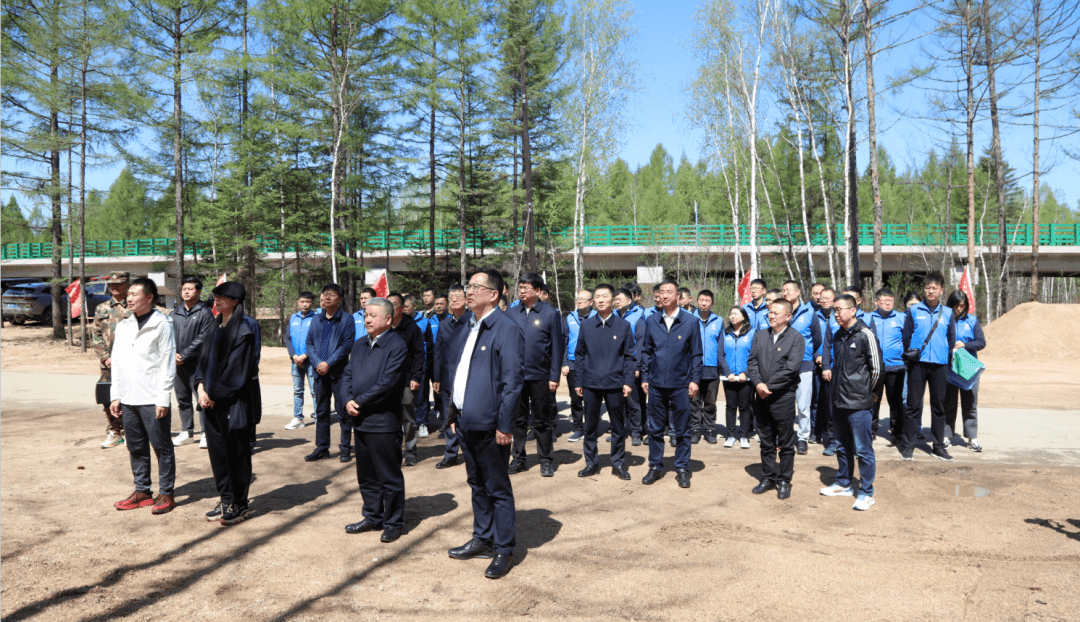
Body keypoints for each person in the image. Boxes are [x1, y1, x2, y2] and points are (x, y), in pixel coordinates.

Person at [445, 269, 524, 580]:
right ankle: (483, 537)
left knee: (497, 487)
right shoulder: (470, 324)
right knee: (476, 483)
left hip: (491, 425)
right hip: (466, 420)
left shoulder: (506, 328)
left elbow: (512, 383)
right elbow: (461, 371)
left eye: (476, 286)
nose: (469, 291)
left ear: (494, 294)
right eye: (469, 286)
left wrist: (505, 426)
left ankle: (503, 548)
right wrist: (453, 413)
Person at [342, 297, 410, 543]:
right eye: (365, 315)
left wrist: (359, 402)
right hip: (359, 421)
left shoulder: (397, 345)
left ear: (388, 319)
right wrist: (347, 399)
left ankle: (393, 522)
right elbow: (347, 376)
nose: (367, 319)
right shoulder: (360, 344)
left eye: (373, 315)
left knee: (388, 476)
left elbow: (388, 384)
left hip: (383, 422)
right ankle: (373, 515)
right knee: (367, 475)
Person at [110, 278, 178, 515]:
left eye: (135, 294)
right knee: (136, 447)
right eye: (128, 294)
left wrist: (163, 398)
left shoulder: (162, 324)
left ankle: (167, 493)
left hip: (152, 398)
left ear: (149, 298)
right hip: (128, 397)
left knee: (161, 447)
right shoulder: (123, 325)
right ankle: (142, 491)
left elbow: (168, 363)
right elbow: (117, 362)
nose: (129, 298)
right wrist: (115, 395)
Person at [194, 281, 259, 524]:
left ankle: (239, 504)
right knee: (218, 454)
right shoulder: (213, 326)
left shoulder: (244, 330)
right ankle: (225, 498)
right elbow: (201, 363)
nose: (216, 301)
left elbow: (237, 373)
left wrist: (213, 395)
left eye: (222, 297)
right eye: (215, 297)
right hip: (209, 401)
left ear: (235, 301)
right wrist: (200, 388)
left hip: (233, 404)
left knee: (237, 454)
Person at [819, 294, 882, 511]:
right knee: (842, 446)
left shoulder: (866, 335)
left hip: (858, 403)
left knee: (863, 450)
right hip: (838, 401)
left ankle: (866, 492)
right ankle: (843, 483)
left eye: (840, 309)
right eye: (834, 310)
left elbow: (877, 371)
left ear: (853, 310)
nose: (836, 314)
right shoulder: (838, 336)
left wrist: (867, 395)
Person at [639, 280, 702, 489]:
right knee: (655, 429)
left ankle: (682, 467)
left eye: (669, 292)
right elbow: (646, 352)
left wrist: (694, 380)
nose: (664, 295)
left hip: (681, 384)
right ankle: (655, 465)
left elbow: (696, 354)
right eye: (661, 292)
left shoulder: (690, 322)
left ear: (678, 296)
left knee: (682, 429)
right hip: (656, 384)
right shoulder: (652, 320)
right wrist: (645, 377)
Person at [574, 284, 636, 480]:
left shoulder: (623, 326)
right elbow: (580, 355)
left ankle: (617, 463)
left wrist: (628, 382)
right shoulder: (586, 326)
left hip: (615, 383)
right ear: (593, 301)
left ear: (613, 300)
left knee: (618, 426)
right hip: (591, 384)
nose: (600, 299)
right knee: (590, 426)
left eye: (604, 296)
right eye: (597, 296)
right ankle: (591, 463)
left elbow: (629, 357)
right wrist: (579, 381)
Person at [747, 298, 804, 500]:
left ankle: (784, 480)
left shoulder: (796, 338)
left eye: (776, 313)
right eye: (770, 312)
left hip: (783, 398)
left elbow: (791, 369)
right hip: (760, 396)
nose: (771, 316)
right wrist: (757, 384)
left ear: (788, 316)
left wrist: (768, 386)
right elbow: (752, 362)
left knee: (786, 443)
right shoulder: (760, 335)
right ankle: (768, 477)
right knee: (766, 441)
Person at [507, 273, 563, 477]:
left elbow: (557, 347)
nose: (521, 290)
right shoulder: (512, 313)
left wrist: (554, 376)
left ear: (538, 291)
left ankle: (546, 460)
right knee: (518, 420)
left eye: (526, 287)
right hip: (516, 377)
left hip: (541, 376)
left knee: (542, 421)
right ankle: (518, 459)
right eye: (520, 286)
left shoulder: (550, 314)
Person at [900, 272, 957, 462]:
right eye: (927, 287)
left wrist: (945, 356)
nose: (930, 291)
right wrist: (913, 355)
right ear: (924, 290)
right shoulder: (914, 310)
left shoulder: (948, 313)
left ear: (941, 290)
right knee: (913, 406)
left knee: (939, 407)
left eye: (934, 288)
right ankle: (908, 446)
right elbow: (906, 337)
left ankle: (938, 447)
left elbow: (951, 339)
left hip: (940, 365)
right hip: (918, 363)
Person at [304, 284, 357, 462]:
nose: (327, 298)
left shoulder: (347, 319)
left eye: (331, 295)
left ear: (339, 299)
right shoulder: (316, 319)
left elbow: (347, 345)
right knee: (321, 411)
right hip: (319, 373)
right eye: (324, 294)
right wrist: (318, 363)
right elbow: (309, 344)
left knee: (343, 411)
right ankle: (322, 447)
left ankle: (345, 447)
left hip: (339, 373)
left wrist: (328, 363)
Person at [432, 284, 473, 469]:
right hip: (448, 379)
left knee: (468, 417)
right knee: (449, 418)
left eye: (458, 296)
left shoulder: (473, 322)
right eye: (452, 296)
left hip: (469, 379)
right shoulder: (444, 325)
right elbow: (438, 353)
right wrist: (437, 378)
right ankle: (451, 453)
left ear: (466, 300)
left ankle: (471, 452)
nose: (454, 299)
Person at [171, 276, 215, 446]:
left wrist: (185, 355)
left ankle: (205, 432)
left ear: (198, 291)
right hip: (177, 364)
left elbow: (204, 337)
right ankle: (187, 432)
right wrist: (173, 354)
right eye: (184, 289)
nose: (186, 292)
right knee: (182, 399)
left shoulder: (205, 312)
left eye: (190, 289)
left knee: (201, 399)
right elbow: (168, 336)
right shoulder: (175, 312)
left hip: (196, 364)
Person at [781, 280, 822, 455]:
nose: (785, 293)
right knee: (784, 404)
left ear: (798, 292)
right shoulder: (779, 312)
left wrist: (810, 355)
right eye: (783, 290)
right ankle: (785, 437)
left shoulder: (810, 313)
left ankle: (802, 437)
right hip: (783, 365)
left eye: (788, 290)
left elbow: (817, 338)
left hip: (804, 365)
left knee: (803, 405)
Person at [386, 292, 425, 467]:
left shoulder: (411, 328)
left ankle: (410, 452)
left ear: (402, 308)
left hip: (406, 381)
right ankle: (393, 451)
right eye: (388, 304)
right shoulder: (383, 326)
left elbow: (419, 354)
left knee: (408, 418)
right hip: (386, 382)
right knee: (389, 418)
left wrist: (416, 377)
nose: (390, 307)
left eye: (394, 304)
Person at [94, 271, 132, 448]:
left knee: (131, 394)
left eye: (118, 283)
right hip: (108, 362)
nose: (114, 287)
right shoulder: (102, 308)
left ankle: (132, 430)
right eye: (111, 284)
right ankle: (115, 431)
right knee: (107, 395)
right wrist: (105, 357)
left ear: (126, 284)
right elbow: (96, 334)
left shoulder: (134, 306)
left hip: (131, 360)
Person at [944, 290, 985, 452]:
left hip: (969, 368)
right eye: (956, 305)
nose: (959, 308)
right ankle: (946, 436)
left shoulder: (972, 321)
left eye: (962, 305)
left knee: (970, 404)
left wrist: (965, 345)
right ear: (950, 305)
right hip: (950, 369)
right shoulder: (945, 320)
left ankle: (972, 438)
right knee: (948, 404)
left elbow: (981, 342)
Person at [870, 288, 907, 444]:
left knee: (896, 402)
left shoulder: (902, 318)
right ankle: (870, 430)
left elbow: (908, 340)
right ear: (876, 302)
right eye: (884, 301)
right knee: (872, 400)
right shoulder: (868, 318)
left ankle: (897, 432)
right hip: (874, 368)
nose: (887, 303)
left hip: (896, 367)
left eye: (890, 300)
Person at [615, 286, 647, 446]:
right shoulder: (612, 316)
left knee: (633, 401)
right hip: (614, 366)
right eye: (615, 299)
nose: (616, 302)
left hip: (630, 364)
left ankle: (636, 432)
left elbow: (641, 344)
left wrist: (637, 366)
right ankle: (619, 430)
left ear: (629, 300)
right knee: (617, 401)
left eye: (619, 299)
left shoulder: (638, 317)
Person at [563, 289, 596, 443]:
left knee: (591, 398)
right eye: (578, 298)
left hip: (592, 363)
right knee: (575, 398)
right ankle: (578, 428)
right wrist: (564, 363)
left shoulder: (597, 317)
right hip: (573, 363)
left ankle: (591, 429)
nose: (580, 301)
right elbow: (564, 340)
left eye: (584, 299)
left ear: (591, 302)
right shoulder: (570, 317)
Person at [720, 306, 755, 449]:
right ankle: (731, 435)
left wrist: (745, 372)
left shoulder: (752, 333)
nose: (732, 316)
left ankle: (744, 436)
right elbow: (720, 355)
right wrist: (727, 372)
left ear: (743, 316)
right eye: (731, 313)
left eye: (736, 313)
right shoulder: (725, 333)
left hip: (745, 377)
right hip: (729, 377)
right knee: (730, 406)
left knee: (745, 407)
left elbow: (754, 354)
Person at [691, 289, 723, 444]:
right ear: (697, 301)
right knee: (694, 401)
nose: (704, 304)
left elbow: (721, 345)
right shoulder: (689, 319)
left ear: (712, 303)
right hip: (693, 367)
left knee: (710, 401)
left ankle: (710, 429)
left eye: (707, 301)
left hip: (712, 367)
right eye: (701, 300)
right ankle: (695, 429)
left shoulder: (719, 321)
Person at [285, 291, 318, 431]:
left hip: (310, 361)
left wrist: (305, 355)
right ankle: (298, 418)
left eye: (308, 301)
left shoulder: (317, 318)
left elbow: (318, 340)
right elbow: (287, 338)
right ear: (298, 302)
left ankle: (318, 418)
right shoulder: (293, 318)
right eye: (302, 301)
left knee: (314, 390)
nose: (305, 304)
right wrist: (293, 356)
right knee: (297, 390)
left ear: (312, 303)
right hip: (295, 361)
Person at [811, 287, 835, 448]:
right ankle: (815, 431)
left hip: (833, 365)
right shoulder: (814, 315)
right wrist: (817, 356)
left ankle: (830, 434)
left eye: (828, 297)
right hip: (817, 363)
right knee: (816, 399)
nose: (824, 300)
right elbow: (810, 339)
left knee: (832, 402)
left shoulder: (838, 317)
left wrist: (827, 359)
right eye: (822, 297)